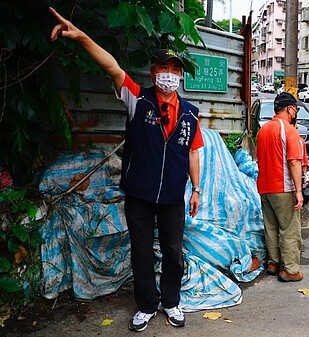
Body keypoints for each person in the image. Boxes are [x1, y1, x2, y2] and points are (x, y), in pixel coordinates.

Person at [49, 7, 203, 332]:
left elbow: (194, 153)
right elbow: (112, 67)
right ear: (153, 72)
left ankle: (171, 302)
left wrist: (197, 189)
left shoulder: (190, 113)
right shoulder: (138, 99)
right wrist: (82, 37)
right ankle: (147, 304)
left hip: (174, 198)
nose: (170, 74)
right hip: (140, 197)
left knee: (174, 253)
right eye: (165, 68)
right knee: (142, 253)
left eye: (176, 70)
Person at [256, 92, 304, 282]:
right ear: (290, 109)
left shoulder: (263, 129)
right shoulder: (289, 130)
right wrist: (299, 191)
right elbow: (293, 162)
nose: (296, 112)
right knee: (289, 230)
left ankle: (273, 263)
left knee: (271, 227)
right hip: (283, 188)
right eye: (296, 109)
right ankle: (290, 270)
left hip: (264, 187)